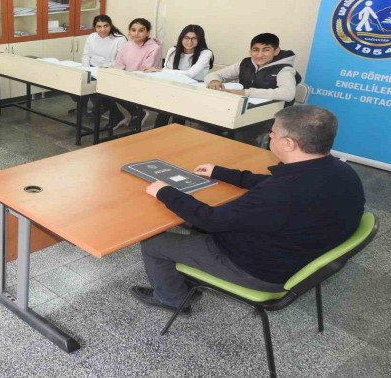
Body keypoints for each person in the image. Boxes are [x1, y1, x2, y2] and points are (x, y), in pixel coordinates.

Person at [131, 105, 365, 315]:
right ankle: (187, 276)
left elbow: (210, 220)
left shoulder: (279, 194)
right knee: (191, 216)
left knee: (154, 243)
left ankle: (171, 299)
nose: (269, 136)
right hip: (300, 254)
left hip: (261, 271)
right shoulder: (341, 172)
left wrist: (166, 192)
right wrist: (222, 173)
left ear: (288, 143)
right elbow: (272, 183)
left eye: (272, 132)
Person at [146, 24, 214, 127]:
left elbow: (190, 74)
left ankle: (173, 131)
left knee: (175, 106)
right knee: (166, 105)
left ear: (200, 40)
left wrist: (161, 70)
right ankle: (158, 131)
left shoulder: (205, 53)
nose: (189, 42)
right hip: (174, 87)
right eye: (186, 38)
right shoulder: (173, 50)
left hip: (194, 89)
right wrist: (164, 71)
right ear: (181, 38)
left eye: (194, 39)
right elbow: (167, 72)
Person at [204, 33, 298, 102]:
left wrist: (246, 93)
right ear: (250, 51)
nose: (260, 55)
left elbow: (287, 94)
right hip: (244, 107)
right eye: (255, 50)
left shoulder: (285, 69)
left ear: (276, 51)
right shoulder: (245, 63)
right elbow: (216, 74)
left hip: (272, 114)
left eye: (266, 50)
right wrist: (214, 81)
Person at [112, 18, 162, 129]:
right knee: (106, 88)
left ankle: (138, 113)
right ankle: (122, 115)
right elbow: (119, 65)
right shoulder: (127, 45)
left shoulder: (155, 48)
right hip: (128, 78)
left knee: (117, 89)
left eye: (141, 30)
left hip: (145, 81)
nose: (136, 33)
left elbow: (146, 70)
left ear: (148, 32)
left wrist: (126, 79)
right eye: (133, 30)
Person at [74, 14, 127, 117]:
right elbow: (86, 55)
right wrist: (87, 69)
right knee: (77, 84)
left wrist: (100, 68)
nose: (103, 29)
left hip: (108, 70)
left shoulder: (120, 39)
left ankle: (111, 112)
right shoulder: (92, 36)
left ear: (110, 25)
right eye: (99, 26)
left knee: (92, 88)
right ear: (95, 27)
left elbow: (120, 61)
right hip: (91, 69)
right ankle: (88, 108)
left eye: (106, 26)